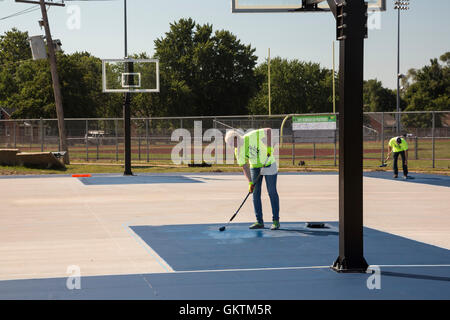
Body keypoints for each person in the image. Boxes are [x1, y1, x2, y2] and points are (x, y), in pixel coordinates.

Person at [224, 128, 280, 230]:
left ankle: (276, 221)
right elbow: (244, 167)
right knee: (255, 193)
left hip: (268, 164)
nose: (233, 146)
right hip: (255, 167)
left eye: (232, 143)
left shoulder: (251, 136)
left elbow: (268, 130)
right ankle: (259, 221)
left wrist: (268, 147)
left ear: (236, 138)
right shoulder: (238, 151)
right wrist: (250, 182)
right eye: (230, 145)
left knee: (272, 192)